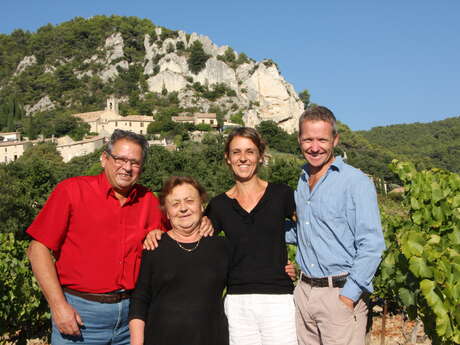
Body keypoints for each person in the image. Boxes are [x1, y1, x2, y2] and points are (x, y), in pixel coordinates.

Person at [27, 130, 186, 345]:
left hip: (133, 318)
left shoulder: (149, 200)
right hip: (80, 315)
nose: (127, 168)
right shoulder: (72, 191)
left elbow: (181, 232)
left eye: (135, 162)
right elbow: (38, 248)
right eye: (120, 159)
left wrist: (203, 222)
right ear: (104, 159)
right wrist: (58, 306)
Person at [286, 106, 386, 345]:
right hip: (304, 292)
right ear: (299, 140)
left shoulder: (355, 182)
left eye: (322, 139)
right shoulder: (301, 182)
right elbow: (304, 232)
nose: (314, 147)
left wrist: (348, 296)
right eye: (308, 139)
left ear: (335, 140)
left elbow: (372, 244)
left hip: (339, 294)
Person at [205, 127, 298, 345]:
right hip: (237, 302)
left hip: (278, 300)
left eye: (250, 151)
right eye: (236, 152)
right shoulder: (218, 205)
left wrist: (301, 264)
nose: (243, 158)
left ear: (260, 156)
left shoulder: (282, 194)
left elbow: (311, 230)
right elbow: (199, 244)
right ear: (227, 158)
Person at [129, 176, 232, 345]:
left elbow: (244, 281)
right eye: (175, 204)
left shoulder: (221, 247)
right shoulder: (154, 246)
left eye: (189, 201)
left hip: (212, 339)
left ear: (202, 205)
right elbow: (140, 300)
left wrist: (286, 268)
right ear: (167, 213)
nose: (183, 208)